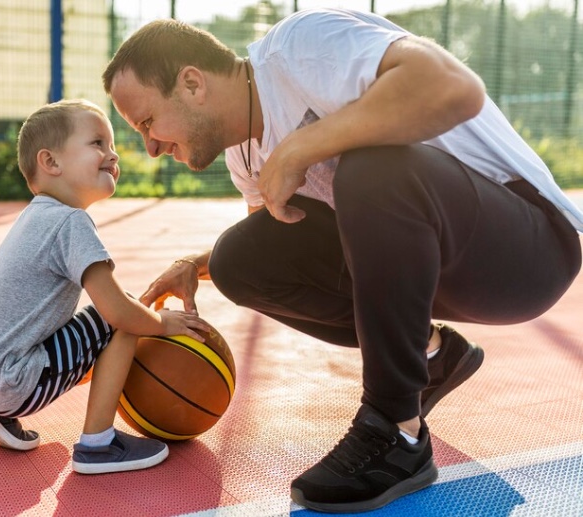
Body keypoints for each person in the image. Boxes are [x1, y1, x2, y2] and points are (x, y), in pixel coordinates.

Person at [102, 8, 583, 513]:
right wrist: (196, 263)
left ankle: (396, 430)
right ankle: (432, 354)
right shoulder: (243, 155)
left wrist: (300, 148)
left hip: (527, 250)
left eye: (148, 122)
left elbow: (452, 86)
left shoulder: (300, 48)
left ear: (193, 84)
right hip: (441, 264)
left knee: (374, 167)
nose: (150, 147)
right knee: (240, 259)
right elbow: (286, 246)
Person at [0, 99, 208, 475]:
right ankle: (98, 445)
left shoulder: (36, 216)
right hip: (15, 379)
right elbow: (118, 312)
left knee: (103, 326)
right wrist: (162, 324)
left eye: (112, 146)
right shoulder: (70, 223)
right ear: (51, 162)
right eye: (97, 143)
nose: (112, 154)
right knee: (121, 319)